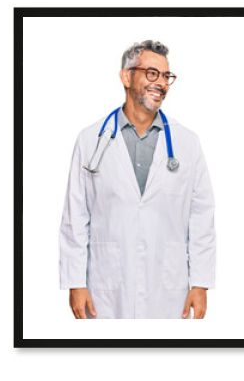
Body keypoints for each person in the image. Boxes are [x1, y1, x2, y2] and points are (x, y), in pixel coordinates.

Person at [59, 40, 216, 319]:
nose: (162, 83)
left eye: (166, 76)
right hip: (105, 289)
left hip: (169, 290)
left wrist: (200, 283)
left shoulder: (187, 143)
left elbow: (201, 215)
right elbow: (75, 216)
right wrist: (75, 282)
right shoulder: (89, 140)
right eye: (152, 73)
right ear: (126, 76)